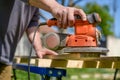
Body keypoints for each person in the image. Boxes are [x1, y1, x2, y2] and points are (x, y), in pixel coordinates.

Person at [0, 0, 86, 80]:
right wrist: (56, 7)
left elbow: (32, 24)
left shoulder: (35, 5)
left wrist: (39, 48)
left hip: (5, 58)